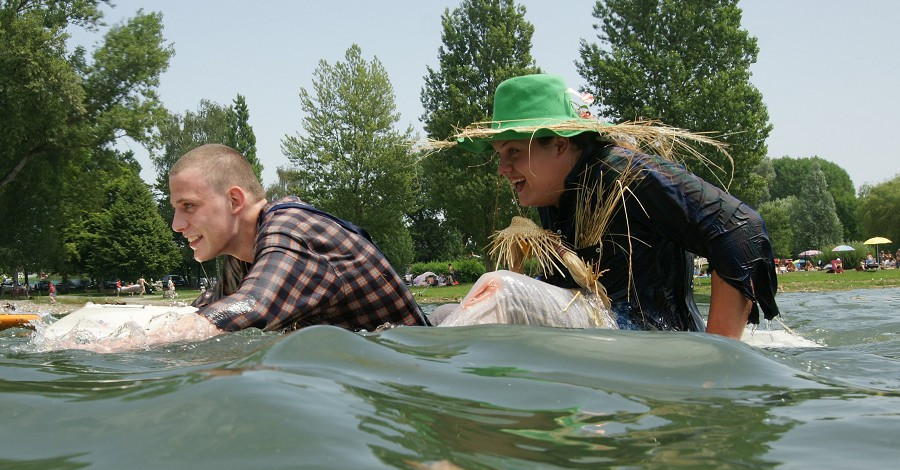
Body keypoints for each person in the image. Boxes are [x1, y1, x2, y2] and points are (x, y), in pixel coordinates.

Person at [445, 74, 778, 339]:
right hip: (609, 332)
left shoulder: (625, 174)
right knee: (445, 312)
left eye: (513, 152)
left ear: (559, 145)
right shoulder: (553, 191)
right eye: (499, 155)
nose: (502, 168)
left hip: (651, 336)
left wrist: (718, 358)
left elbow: (741, 227)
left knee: (500, 292)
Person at [154, 143, 426, 345]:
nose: (176, 225)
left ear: (235, 201)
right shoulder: (243, 255)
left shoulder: (291, 230)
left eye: (188, 205)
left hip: (412, 375)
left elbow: (252, 306)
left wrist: (127, 345)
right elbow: (208, 308)